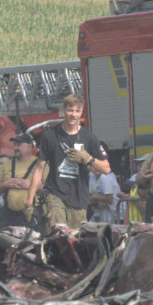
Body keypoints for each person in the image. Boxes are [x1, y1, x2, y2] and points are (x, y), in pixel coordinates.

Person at [27, 94, 110, 231]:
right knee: (58, 233)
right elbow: (39, 168)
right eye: (70, 110)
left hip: (79, 198)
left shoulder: (89, 137)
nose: (73, 115)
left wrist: (88, 158)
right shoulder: (50, 136)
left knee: (75, 241)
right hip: (55, 193)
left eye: (77, 111)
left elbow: (106, 169)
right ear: (64, 111)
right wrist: (29, 201)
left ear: (81, 113)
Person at [0, 133, 44, 229]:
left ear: (29, 147)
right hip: (9, 218)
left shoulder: (40, 164)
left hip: (32, 217)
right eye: (15, 144)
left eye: (19, 145)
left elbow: (50, 189)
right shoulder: (7, 165)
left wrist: (31, 185)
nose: (16, 147)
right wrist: (5, 184)